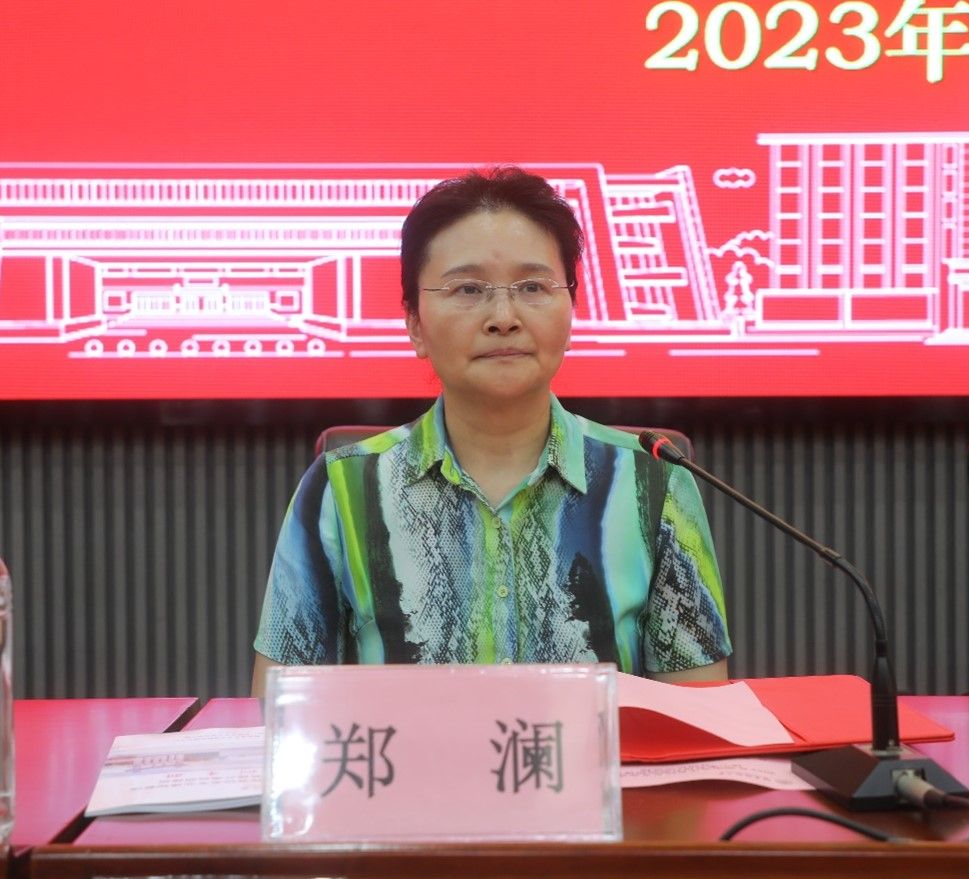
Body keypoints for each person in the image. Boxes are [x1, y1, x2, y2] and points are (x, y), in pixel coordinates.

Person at [251, 166, 730, 696]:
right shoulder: (341, 489)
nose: (503, 317)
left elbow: (700, 718)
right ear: (414, 323)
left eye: (533, 286)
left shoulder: (653, 483)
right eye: (468, 289)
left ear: (572, 311)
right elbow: (278, 715)